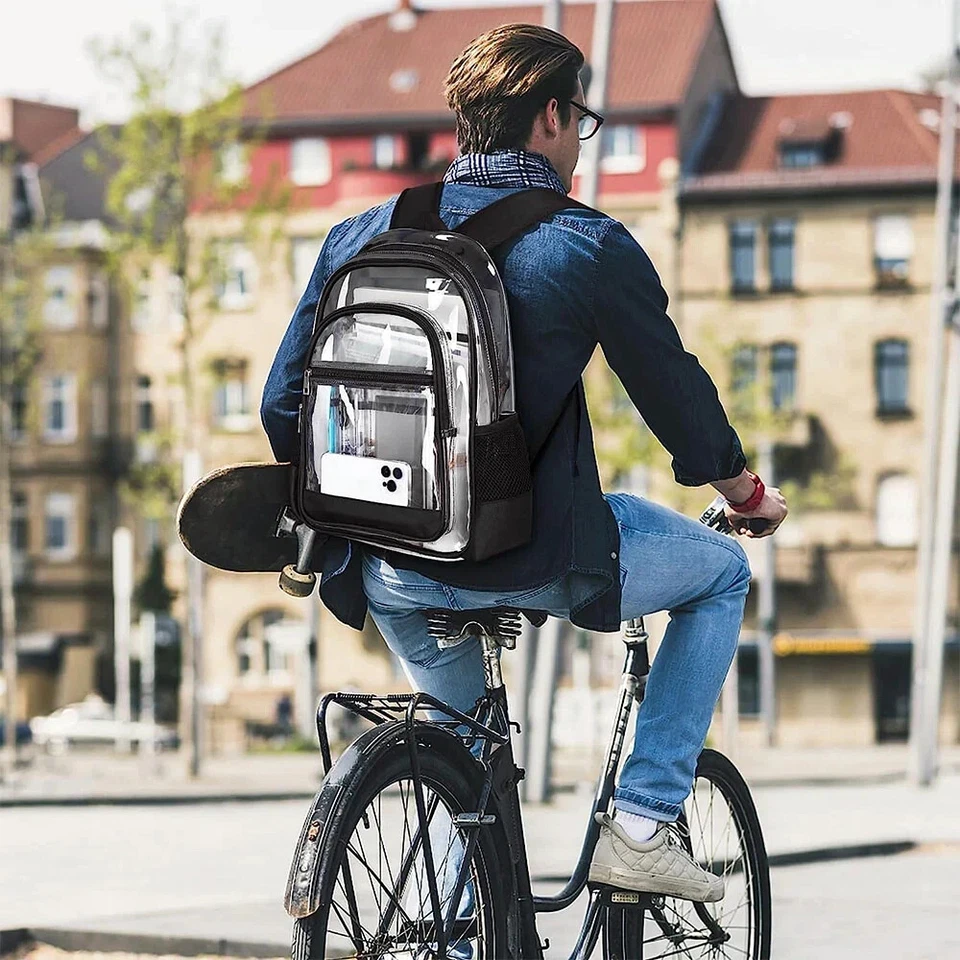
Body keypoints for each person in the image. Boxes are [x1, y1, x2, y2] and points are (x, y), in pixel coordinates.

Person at [262, 23, 788, 903]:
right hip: (529, 550)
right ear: (551, 114)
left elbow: (285, 403)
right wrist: (745, 490)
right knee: (721, 573)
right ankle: (646, 822)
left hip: (387, 568)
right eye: (580, 120)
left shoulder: (359, 233)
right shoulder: (585, 244)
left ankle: (456, 930)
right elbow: (675, 396)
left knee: (463, 755)